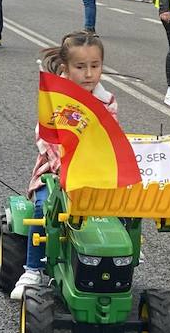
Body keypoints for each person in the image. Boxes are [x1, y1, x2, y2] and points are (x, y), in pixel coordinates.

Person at [13, 31, 115, 299]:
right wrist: (64, 168)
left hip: (95, 173)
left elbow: (112, 137)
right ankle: (32, 268)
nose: (89, 74)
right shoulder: (54, 97)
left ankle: (117, 256)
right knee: (44, 206)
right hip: (56, 172)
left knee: (121, 206)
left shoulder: (107, 101)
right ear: (67, 69)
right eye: (80, 67)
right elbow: (44, 137)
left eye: (95, 66)